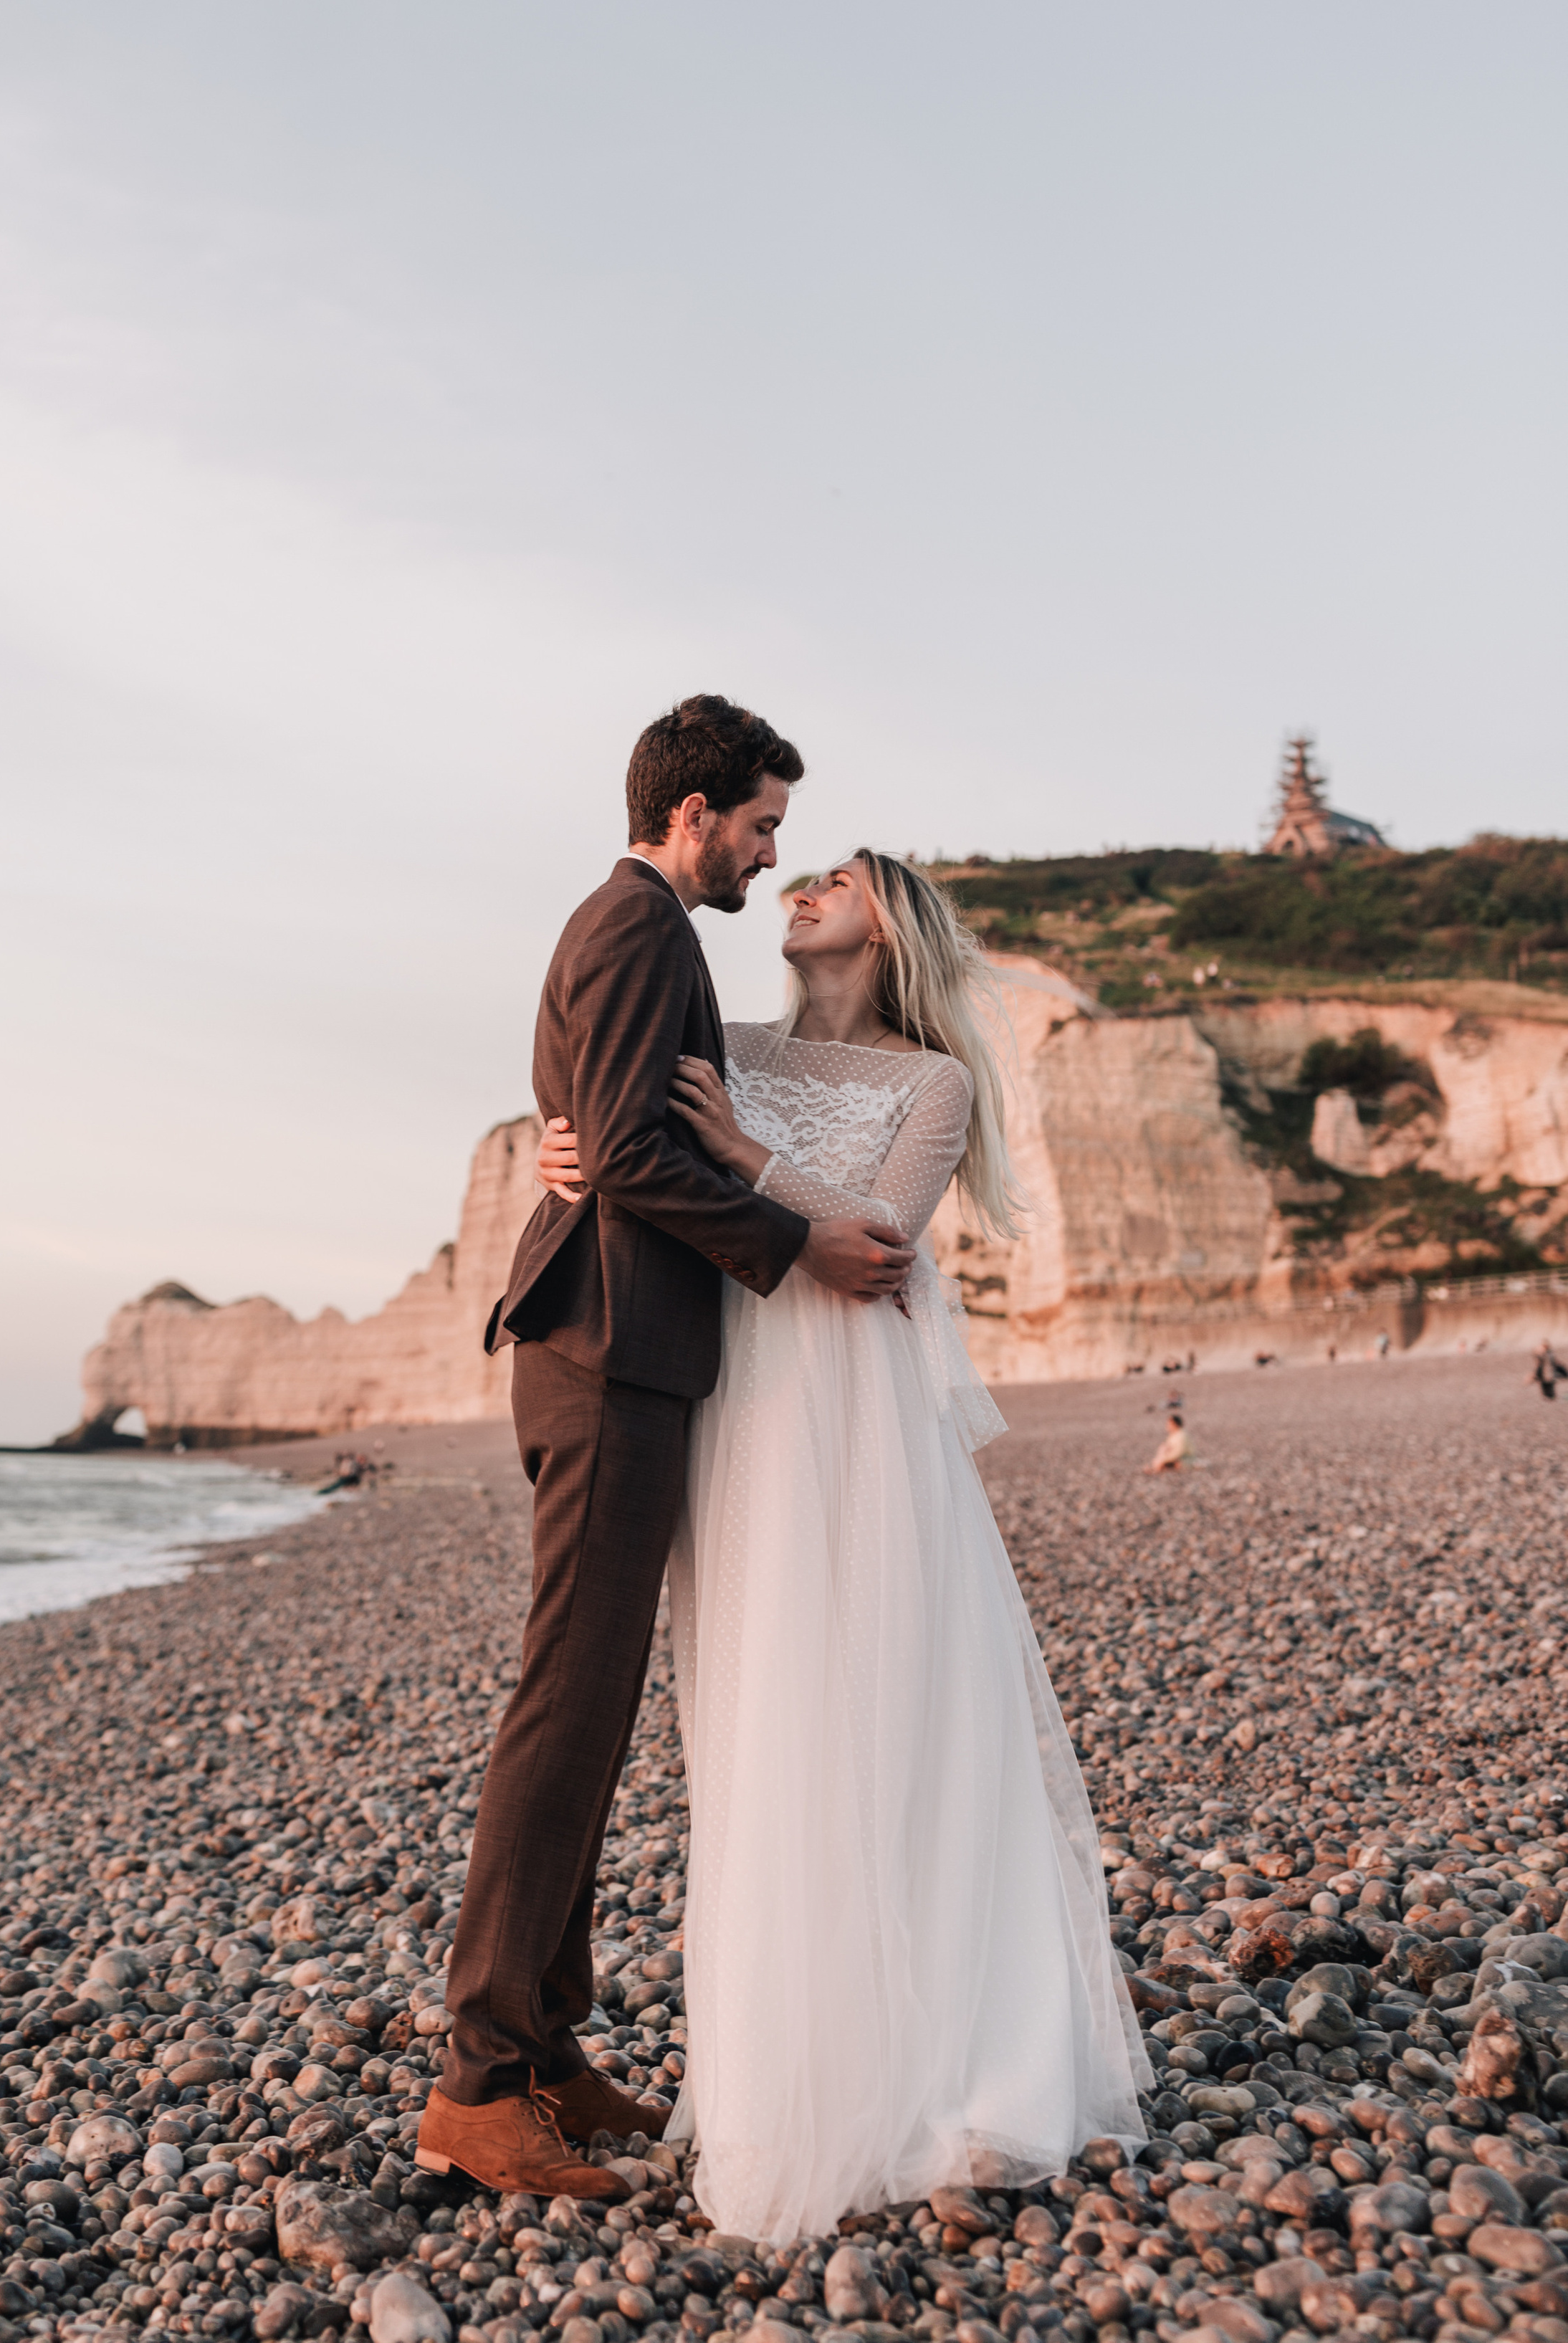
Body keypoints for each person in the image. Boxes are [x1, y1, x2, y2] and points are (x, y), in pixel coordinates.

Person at [530, 849, 1147, 2239]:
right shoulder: (723, 1041)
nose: (798, 888)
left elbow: (881, 1244)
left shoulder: (933, 1085)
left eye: (834, 880)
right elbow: (616, 1116)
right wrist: (555, 1139)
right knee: (756, 1716)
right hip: (731, 1398)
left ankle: (931, 2060)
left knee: (874, 1704)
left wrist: (748, 1154)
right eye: (793, 867)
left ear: (892, 928)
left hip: (854, 1421)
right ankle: (779, 2076)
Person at [416, 698, 917, 2203]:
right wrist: (798, 1247)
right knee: (564, 1705)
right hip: (605, 1350)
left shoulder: (621, 930)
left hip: (610, 1347)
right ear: (691, 810)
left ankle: (551, 2050)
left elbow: (594, 1115)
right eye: (760, 825)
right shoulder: (638, 931)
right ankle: (479, 2084)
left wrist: (575, 1128)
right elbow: (628, 1150)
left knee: (592, 1699)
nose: (771, 856)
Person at [1145, 1397, 1196, 1474]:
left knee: (1169, 1461)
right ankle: (1155, 1466)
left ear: (1174, 1424)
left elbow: (1179, 1452)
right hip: (1175, 1458)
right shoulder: (1174, 1435)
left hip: (1185, 1460)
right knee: (1163, 1449)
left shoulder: (1181, 1435)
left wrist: (1164, 1459)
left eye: (1169, 1424)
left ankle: (1155, 1467)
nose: (1167, 1425)